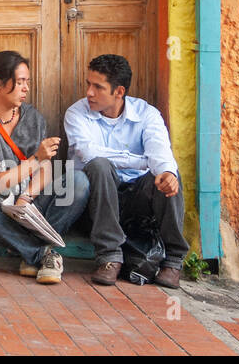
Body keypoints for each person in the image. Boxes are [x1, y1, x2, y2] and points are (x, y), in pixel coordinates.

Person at [0, 50, 90, 284]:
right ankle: (43, 254)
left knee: (78, 182)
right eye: (20, 82)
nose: (26, 88)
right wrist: (35, 159)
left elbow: (46, 170)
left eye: (27, 82)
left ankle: (25, 249)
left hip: (30, 205)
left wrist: (26, 198)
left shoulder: (33, 117)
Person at [62, 54, 188, 288]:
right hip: (96, 204)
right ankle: (109, 258)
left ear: (119, 92)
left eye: (98, 87)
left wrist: (164, 170)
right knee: (99, 165)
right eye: (88, 84)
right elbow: (88, 153)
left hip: (135, 203)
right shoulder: (76, 113)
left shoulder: (146, 114)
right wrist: (142, 162)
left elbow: (159, 150)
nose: (89, 92)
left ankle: (173, 260)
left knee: (168, 175)